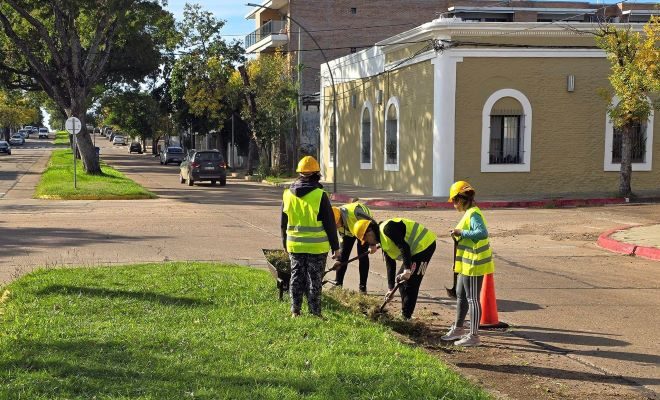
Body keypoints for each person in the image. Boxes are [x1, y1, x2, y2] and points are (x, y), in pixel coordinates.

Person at [280, 156, 339, 318]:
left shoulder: (287, 194)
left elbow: (283, 223)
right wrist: (336, 247)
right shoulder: (320, 195)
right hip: (317, 246)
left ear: (299, 173)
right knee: (315, 280)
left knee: (296, 276)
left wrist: (284, 242)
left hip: (295, 244)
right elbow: (330, 224)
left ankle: (295, 311)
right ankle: (315, 313)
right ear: (316, 174)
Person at [441, 181, 494, 347]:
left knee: (472, 299)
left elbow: (482, 233)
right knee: (461, 295)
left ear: (462, 199)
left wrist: (461, 232)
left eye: (455, 201)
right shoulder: (468, 213)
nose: (454, 205)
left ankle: (474, 336)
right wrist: (458, 235)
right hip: (466, 263)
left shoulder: (474, 214)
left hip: (474, 263)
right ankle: (458, 328)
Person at [353, 218, 436, 319]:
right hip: (414, 250)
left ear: (370, 231)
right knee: (400, 280)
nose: (367, 242)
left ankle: (406, 317)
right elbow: (390, 264)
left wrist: (407, 270)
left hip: (424, 245)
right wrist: (390, 289)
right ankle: (405, 313)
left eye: (365, 239)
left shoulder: (387, 229)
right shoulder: (382, 240)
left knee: (410, 283)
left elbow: (404, 247)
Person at [331, 202, 374, 292]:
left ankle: (362, 287)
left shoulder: (356, 213)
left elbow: (373, 224)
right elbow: (340, 239)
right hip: (348, 231)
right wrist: (338, 255)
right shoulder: (335, 219)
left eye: (335, 225)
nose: (335, 228)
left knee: (362, 255)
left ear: (340, 219)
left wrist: (372, 244)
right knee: (342, 257)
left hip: (364, 229)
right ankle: (338, 285)